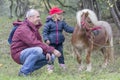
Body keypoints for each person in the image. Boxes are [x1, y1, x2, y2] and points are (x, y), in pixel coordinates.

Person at [10, 9, 61, 76]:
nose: (39, 19)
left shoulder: (33, 28)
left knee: (51, 56)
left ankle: (27, 71)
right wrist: (52, 50)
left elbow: (39, 42)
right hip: (19, 54)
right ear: (30, 18)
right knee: (38, 50)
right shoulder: (23, 29)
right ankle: (23, 72)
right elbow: (34, 43)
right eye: (37, 17)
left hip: (29, 52)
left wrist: (47, 52)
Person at [42, 7, 74, 72]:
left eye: (61, 14)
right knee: (50, 55)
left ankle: (62, 66)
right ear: (55, 15)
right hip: (51, 43)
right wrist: (46, 39)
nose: (61, 15)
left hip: (59, 43)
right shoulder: (48, 23)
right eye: (59, 14)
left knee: (61, 54)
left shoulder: (62, 23)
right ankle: (50, 67)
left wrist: (76, 29)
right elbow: (44, 32)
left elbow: (68, 29)